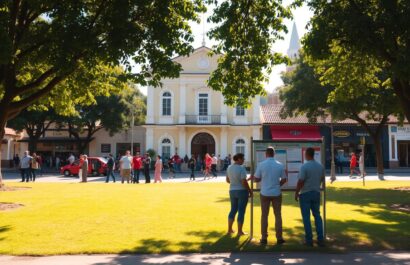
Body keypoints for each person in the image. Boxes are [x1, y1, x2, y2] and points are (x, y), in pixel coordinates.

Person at [252, 146, 287, 245]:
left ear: (266, 154)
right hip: (276, 192)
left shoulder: (261, 164)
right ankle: (279, 238)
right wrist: (277, 185)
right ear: (274, 154)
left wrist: (258, 178)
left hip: (265, 192)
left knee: (264, 216)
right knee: (278, 215)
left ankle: (264, 238)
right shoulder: (280, 165)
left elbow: (256, 179)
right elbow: (284, 179)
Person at [294, 147, 325, 247]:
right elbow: (321, 179)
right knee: (317, 216)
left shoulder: (304, 167)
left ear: (307, 154)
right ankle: (320, 239)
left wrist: (296, 192)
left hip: (305, 194)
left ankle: (309, 240)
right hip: (316, 193)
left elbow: (300, 181)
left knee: (306, 218)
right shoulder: (320, 166)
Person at [226, 153, 252, 236]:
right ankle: (240, 231)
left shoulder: (229, 167)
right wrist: (250, 191)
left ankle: (230, 229)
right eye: (243, 159)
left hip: (232, 191)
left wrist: (235, 183)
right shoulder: (241, 168)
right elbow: (243, 182)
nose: (244, 160)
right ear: (239, 159)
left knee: (233, 209)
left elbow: (227, 180)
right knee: (241, 211)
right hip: (241, 191)